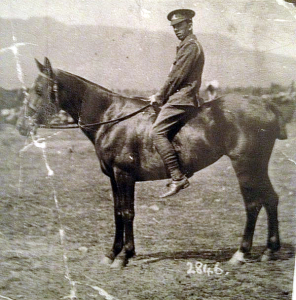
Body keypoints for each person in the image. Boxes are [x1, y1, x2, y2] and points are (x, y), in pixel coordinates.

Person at [149, 9, 205, 198]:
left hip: (184, 97)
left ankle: (177, 177)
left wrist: (160, 96)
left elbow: (177, 77)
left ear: (189, 24)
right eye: (174, 27)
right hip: (180, 96)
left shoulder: (190, 46)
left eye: (180, 25)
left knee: (157, 132)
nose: (176, 30)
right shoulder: (184, 45)